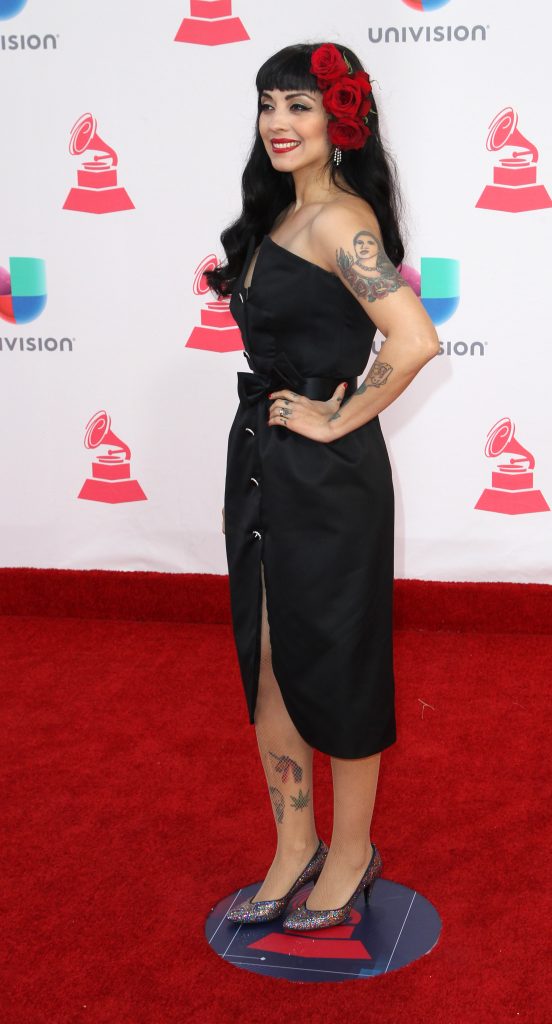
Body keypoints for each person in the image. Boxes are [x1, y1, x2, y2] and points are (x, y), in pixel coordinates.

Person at [205, 42, 439, 931]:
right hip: (266, 466)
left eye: (299, 105)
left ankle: (351, 854)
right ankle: (293, 842)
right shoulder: (273, 219)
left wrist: (337, 418)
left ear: (338, 122)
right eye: (267, 104)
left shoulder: (344, 220)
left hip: (331, 481)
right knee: (269, 659)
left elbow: (412, 340)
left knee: (336, 667)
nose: (277, 122)